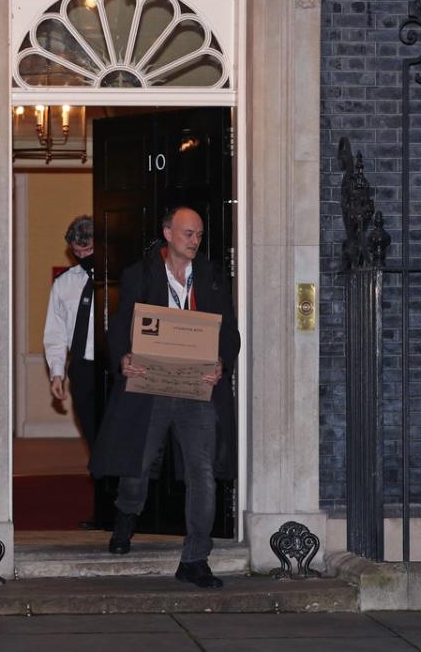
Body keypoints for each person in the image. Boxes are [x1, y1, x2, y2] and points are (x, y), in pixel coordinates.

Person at [89, 206, 240, 589]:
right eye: (189, 234)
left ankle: (195, 559)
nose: (195, 241)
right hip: (149, 388)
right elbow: (121, 326)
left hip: (196, 390)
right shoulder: (139, 275)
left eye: (200, 235)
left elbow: (229, 329)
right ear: (168, 233)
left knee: (202, 474)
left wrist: (223, 361)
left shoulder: (212, 276)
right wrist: (123, 357)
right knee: (137, 469)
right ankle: (126, 519)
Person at [43, 215, 96, 449]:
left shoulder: (122, 279)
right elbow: (56, 332)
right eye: (78, 252)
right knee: (91, 430)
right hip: (82, 367)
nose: (83, 257)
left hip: (117, 366)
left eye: (89, 250)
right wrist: (57, 372)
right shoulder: (63, 284)